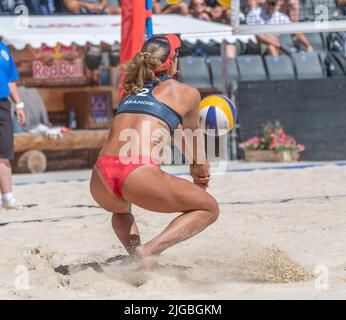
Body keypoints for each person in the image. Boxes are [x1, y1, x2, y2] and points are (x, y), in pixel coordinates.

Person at [89, 34, 219, 269]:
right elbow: (191, 134)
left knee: (120, 211)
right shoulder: (185, 92)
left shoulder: (130, 92)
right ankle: (147, 251)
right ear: (172, 62)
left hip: (100, 176)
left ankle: (136, 255)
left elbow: (174, 130)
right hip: (137, 172)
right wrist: (199, 166)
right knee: (209, 208)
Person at [0, 38, 26, 210]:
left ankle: (8, 198)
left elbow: (10, 81)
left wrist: (19, 105)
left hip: (3, 104)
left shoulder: (4, 49)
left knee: (4, 153)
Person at [246, 0, 313, 56]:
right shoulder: (254, 14)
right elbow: (258, 36)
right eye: (269, 3)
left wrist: (308, 45)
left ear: (277, 4)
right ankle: (276, 67)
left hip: (275, 45)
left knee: (272, 46)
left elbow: (295, 32)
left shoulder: (280, 16)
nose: (271, 6)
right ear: (265, 3)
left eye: (273, 3)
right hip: (255, 45)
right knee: (271, 46)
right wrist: (279, 45)